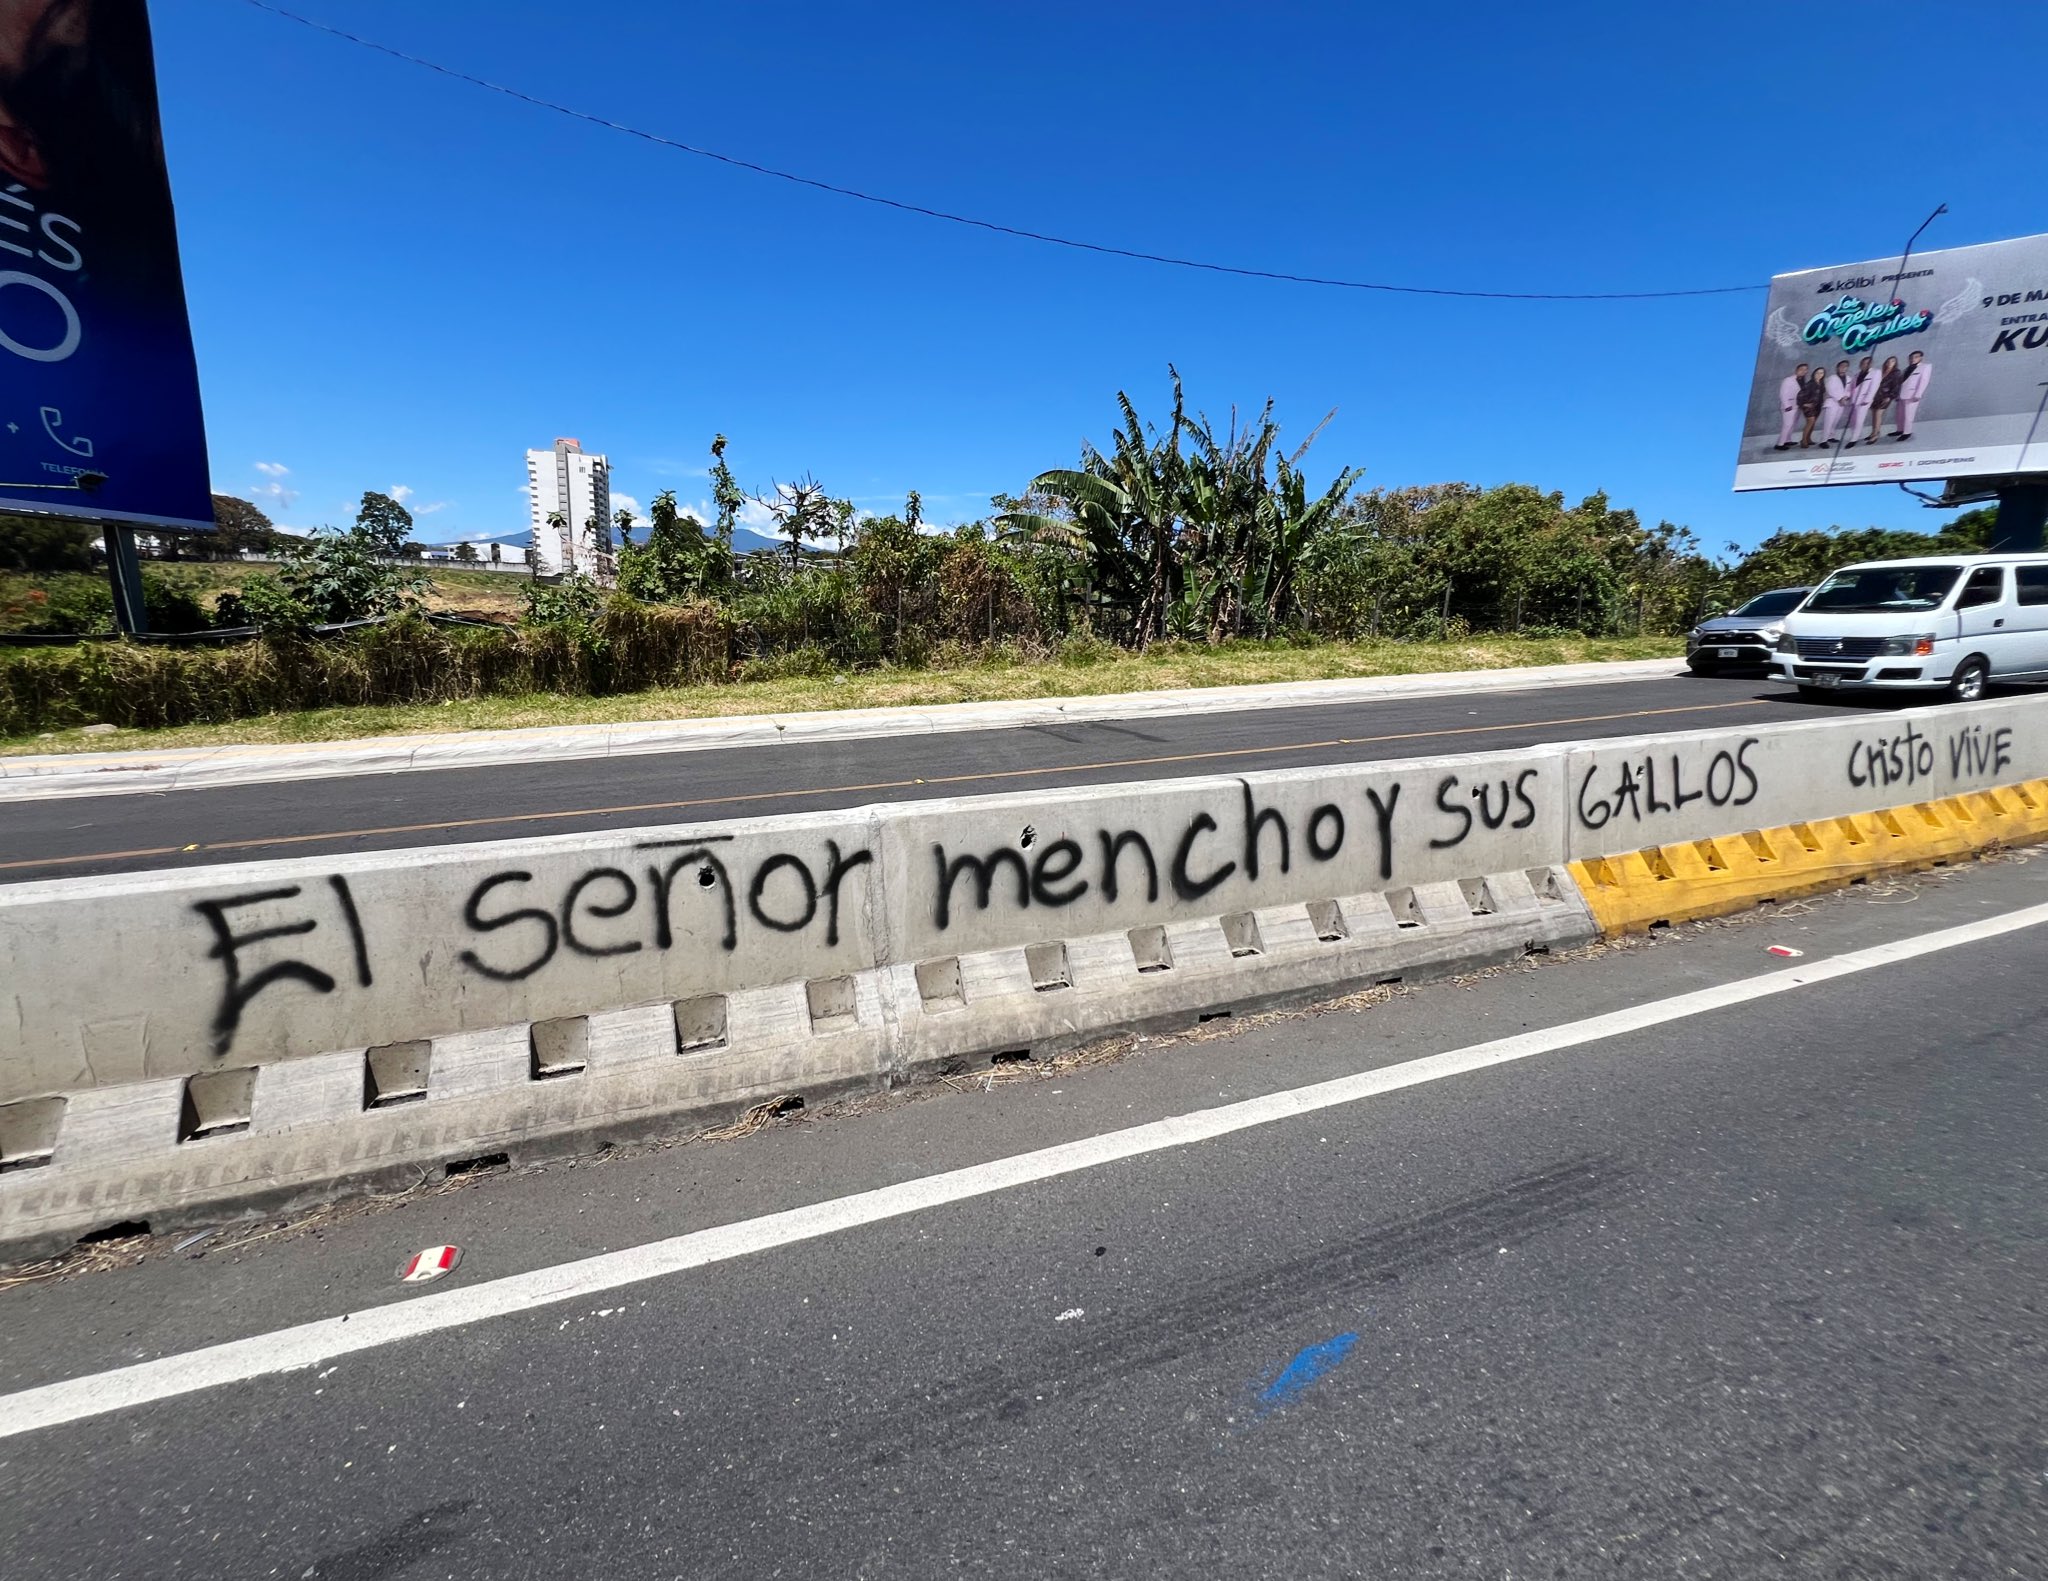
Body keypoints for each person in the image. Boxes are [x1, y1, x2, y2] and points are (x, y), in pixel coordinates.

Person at [1893, 350, 1931, 440]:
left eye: (1916, 357)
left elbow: (1924, 381)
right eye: (1911, 357)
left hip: (1912, 395)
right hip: (1902, 394)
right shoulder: (1907, 368)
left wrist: (1918, 394)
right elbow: (1902, 382)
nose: (1913, 359)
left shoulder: (1925, 367)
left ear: (1921, 358)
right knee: (1900, 414)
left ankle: (1907, 432)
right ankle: (1900, 430)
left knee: (1908, 414)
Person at [1842, 356, 1879, 447]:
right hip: (1853, 400)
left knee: (1859, 420)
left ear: (1871, 364)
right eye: (1863, 363)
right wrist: (1846, 396)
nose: (1865, 365)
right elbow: (1851, 388)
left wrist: (1868, 399)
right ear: (1860, 365)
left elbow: (1874, 387)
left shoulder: (1876, 373)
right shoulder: (1857, 375)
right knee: (1852, 420)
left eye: (1867, 363)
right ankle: (1856, 435)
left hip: (1864, 401)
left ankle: (1854, 439)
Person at [1866, 355, 1903, 445]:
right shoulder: (1882, 371)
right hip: (1876, 396)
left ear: (1895, 363)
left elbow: (1896, 386)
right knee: (1874, 414)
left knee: (1878, 414)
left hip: (1886, 396)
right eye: (1888, 361)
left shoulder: (1896, 372)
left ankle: (1875, 435)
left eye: (1892, 361)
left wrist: (1890, 396)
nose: (1890, 363)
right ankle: (1874, 432)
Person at [1819, 359, 1853, 445]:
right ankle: (1823, 441)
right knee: (1828, 422)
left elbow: (1850, 390)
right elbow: (1830, 390)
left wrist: (1846, 397)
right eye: (1842, 366)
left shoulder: (1849, 378)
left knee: (1835, 421)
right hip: (1832, 403)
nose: (1843, 368)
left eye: (1845, 366)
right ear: (1837, 368)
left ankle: (1831, 437)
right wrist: (1839, 399)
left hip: (1842, 403)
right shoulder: (1832, 378)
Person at [1776, 364, 1808, 450]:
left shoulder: (1802, 381)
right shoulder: (1788, 380)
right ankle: (1780, 444)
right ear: (1796, 370)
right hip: (1789, 406)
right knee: (1787, 425)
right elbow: (1783, 394)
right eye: (1801, 369)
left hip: (1797, 406)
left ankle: (1788, 440)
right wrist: (1787, 406)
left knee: (1793, 425)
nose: (1803, 371)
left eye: (1805, 370)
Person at [1797, 362, 1826, 447]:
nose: (1819, 374)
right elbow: (1800, 395)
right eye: (1817, 373)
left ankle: (1808, 439)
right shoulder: (1810, 384)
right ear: (1814, 374)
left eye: (1822, 373)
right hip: (1809, 407)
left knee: (1813, 423)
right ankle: (1803, 441)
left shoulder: (1821, 383)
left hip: (1817, 406)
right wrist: (1804, 404)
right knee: (1810, 422)